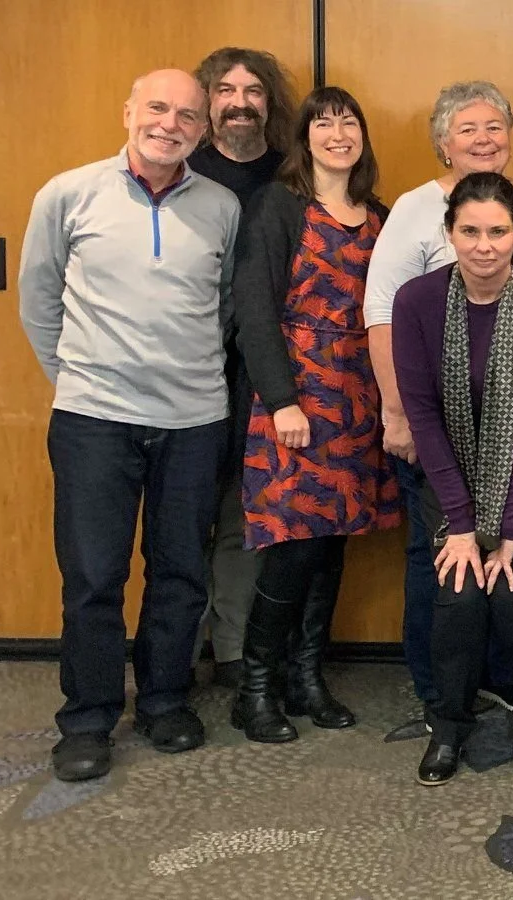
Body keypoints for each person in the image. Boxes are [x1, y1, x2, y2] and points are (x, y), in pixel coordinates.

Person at [19, 69, 241, 781]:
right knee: (92, 576)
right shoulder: (67, 193)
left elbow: (226, 305)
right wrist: (80, 380)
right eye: (158, 108)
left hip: (194, 418)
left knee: (179, 570)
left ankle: (165, 699)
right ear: (129, 111)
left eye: (187, 116)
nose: (170, 124)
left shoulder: (222, 206)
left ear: (203, 132)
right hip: (94, 420)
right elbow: (38, 298)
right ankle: (87, 718)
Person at [364, 81, 513, 714]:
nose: (484, 140)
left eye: (494, 127)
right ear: (442, 144)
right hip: (445, 428)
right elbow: (383, 312)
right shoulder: (415, 208)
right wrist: (396, 410)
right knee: (447, 567)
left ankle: (506, 685)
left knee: (507, 574)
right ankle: (442, 692)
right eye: (467, 130)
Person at [393, 172, 513, 786]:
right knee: (457, 590)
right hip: (450, 468)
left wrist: (507, 529)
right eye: (469, 231)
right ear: (449, 233)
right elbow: (421, 415)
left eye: (497, 231)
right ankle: (447, 728)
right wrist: (464, 523)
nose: (483, 245)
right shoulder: (416, 302)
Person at [228, 86, 399, 743]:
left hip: (356, 400)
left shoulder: (378, 216)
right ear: (304, 137)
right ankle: (256, 689)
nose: (337, 133)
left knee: (329, 550)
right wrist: (282, 401)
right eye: (322, 123)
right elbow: (254, 308)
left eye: (348, 121)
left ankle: (306, 679)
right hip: (296, 400)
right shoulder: (280, 205)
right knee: (291, 550)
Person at [189, 47, 301, 691]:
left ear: (269, 102)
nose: (239, 101)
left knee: (242, 512)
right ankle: (176, 651)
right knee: (185, 513)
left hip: (265, 372)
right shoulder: (184, 170)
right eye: (226, 89)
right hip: (187, 370)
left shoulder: (289, 179)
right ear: (207, 101)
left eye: (253, 90)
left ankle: (232, 650)